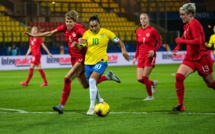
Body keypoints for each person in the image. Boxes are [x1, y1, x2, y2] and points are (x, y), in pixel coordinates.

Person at [25, 10, 121, 114]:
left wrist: (82, 43)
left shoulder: (79, 29)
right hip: (73, 59)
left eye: (70, 21)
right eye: (67, 21)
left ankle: (61, 106)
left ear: (75, 21)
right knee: (86, 85)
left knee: (67, 78)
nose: (68, 23)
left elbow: (89, 38)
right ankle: (107, 77)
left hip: (82, 59)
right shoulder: (65, 27)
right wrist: (34, 36)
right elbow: (51, 33)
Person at [75, 14, 130, 115]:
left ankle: (91, 107)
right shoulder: (86, 34)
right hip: (88, 63)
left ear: (99, 24)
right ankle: (100, 100)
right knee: (93, 84)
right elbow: (81, 48)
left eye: (95, 25)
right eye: (91, 26)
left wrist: (123, 50)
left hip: (101, 61)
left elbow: (119, 41)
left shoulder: (106, 33)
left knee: (91, 80)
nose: (93, 28)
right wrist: (77, 44)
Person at [172, 3, 215, 112]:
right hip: (190, 58)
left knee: (210, 84)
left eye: (183, 14)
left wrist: (181, 41)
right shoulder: (186, 25)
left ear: (190, 14)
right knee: (179, 77)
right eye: (180, 14)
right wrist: (177, 47)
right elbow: (183, 37)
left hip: (201, 58)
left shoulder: (194, 24)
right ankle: (180, 105)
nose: (181, 17)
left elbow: (198, 41)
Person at [132, 13, 162, 101]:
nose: (143, 20)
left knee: (145, 77)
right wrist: (135, 57)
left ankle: (150, 96)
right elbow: (138, 46)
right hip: (141, 56)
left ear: (148, 20)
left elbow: (159, 42)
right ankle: (153, 83)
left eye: (144, 18)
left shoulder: (152, 30)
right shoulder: (138, 31)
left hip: (149, 56)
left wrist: (154, 50)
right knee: (139, 79)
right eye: (141, 19)